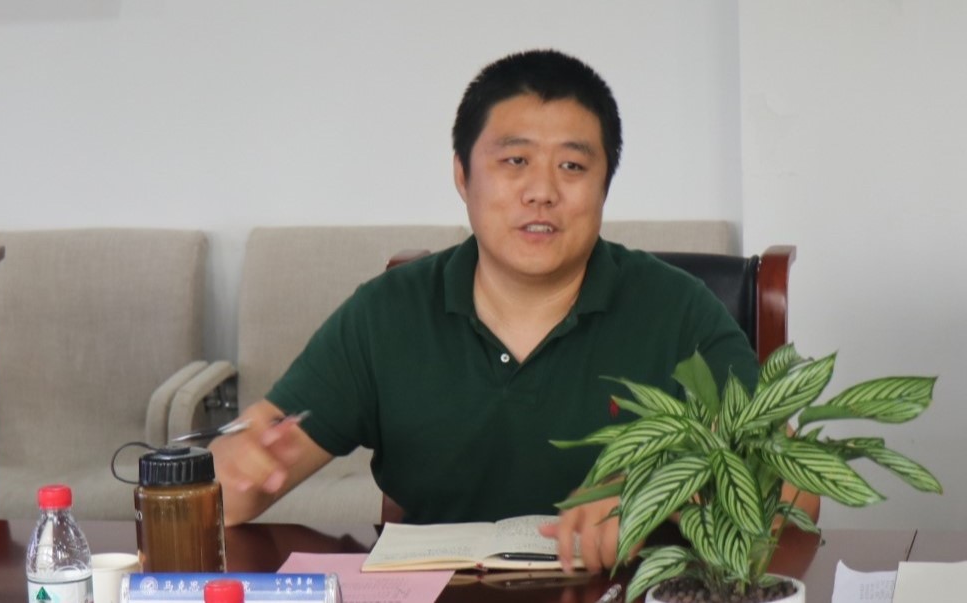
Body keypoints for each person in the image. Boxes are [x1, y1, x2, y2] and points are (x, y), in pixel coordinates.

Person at [210, 49, 818, 572]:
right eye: (514, 161)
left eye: (572, 166)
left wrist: (657, 492)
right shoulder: (385, 314)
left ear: (604, 185)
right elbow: (231, 492)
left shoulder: (676, 310)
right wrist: (237, 463)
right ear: (462, 175)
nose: (542, 191)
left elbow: (797, 493)